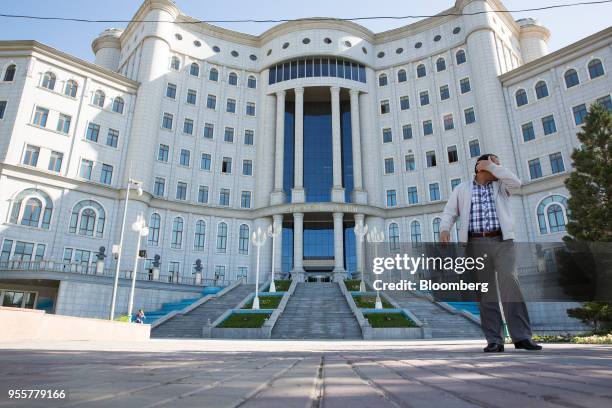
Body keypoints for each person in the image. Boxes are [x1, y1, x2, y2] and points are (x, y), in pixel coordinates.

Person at [440, 153, 542, 352]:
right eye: (495, 164)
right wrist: (445, 229)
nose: (499, 168)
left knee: (511, 285)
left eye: (499, 166)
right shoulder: (462, 188)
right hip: (475, 244)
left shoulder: (502, 186)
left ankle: (522, 337)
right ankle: (495, 340)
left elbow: (516, 183)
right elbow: (450, 212)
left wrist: (494, 168)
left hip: (503, 241)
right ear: (481, 166)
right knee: (485, 292)